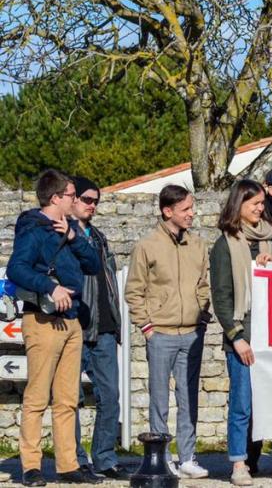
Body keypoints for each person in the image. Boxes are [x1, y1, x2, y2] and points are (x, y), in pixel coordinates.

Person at [209, 180, 272, 485]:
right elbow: (222, 296)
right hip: (245, 336)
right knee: (243, 404)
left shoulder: (269, 238)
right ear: (238, 204)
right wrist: (236, 337)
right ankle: (239, 464)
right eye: (254, 204)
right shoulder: (224, 245)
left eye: (262, 204)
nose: (260, 208)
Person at [8, 169, 102, 486]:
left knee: (67, 399)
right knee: (37, 397)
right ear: (55, 198)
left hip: (71, 321)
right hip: (43, 320)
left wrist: (74, 238)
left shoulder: (72, 228)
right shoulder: (33, 230)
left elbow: (94, 265)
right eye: (71, 195)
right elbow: (15, 268)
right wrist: (49, 287)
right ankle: (31, 466)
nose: (75, 200)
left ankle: (67, 464)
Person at [124, 184, 211, 478]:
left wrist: (201, 317)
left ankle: (187, 456)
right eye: (186, 209)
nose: (191, 214)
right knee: (159, 398)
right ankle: (162, 457)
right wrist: (147, 327)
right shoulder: (146, 245)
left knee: (189, 398)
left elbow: (204, 285)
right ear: (167, 211)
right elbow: (133, 291)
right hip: (159, 333)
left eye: (191, 208)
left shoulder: (197, 244)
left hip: (191, 333)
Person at [70, 176, 128, 480]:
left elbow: (109, 284)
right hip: (75, 327)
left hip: (104, 330)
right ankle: (75, 459)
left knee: (110, 396)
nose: (92, 205)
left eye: (96, 201)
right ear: (73, 199)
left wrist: (117, 323)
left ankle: (104, 458)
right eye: (87, 199)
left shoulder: (100, 237)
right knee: (72, 399)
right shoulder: (63, 236)